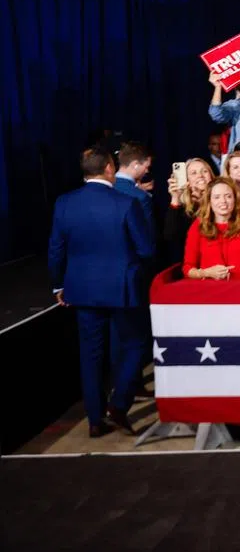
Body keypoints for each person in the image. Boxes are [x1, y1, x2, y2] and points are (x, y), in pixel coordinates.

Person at [48, 147, 155, 437]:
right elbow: (146, 249)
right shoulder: (126, 203)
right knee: (134, 345)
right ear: (110, 168)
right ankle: (119, 405)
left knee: (91, 355)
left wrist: (59, 285)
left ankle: (95, 420)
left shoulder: (64, 203)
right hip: (122, 289)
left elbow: (56, 250)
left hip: (81, 290)